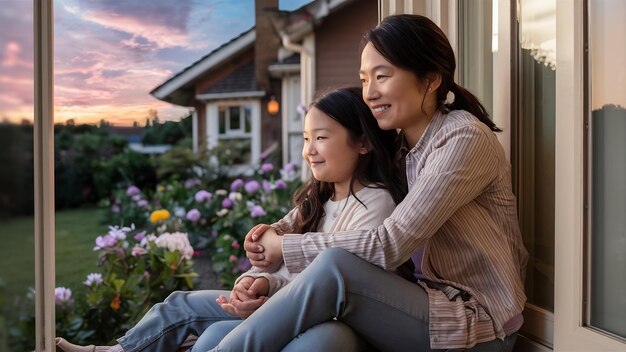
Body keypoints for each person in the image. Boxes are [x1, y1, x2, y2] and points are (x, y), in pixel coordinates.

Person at [212, 14, 528, 352]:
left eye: (382, 76)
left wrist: (284, 246)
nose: (370, 93)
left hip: (474, 321)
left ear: (431, 79)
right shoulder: (396, 147)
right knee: (206, 316)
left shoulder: (462, 139)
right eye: (364, 80)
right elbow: (317, 202)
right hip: (414, 305)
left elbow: (388, 245)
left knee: (336, 270)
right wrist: (271, 236)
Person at [55, 87, 406, 352]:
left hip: (320, 317)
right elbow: (273, 263)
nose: (309, 150)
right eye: (306, 138)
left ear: (362, 142)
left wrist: (271, 288)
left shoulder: (374, 204)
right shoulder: (317, 199)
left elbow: (336, 288)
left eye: (321, 138)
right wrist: (250, 283)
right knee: (183, 307)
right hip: (282, 304)